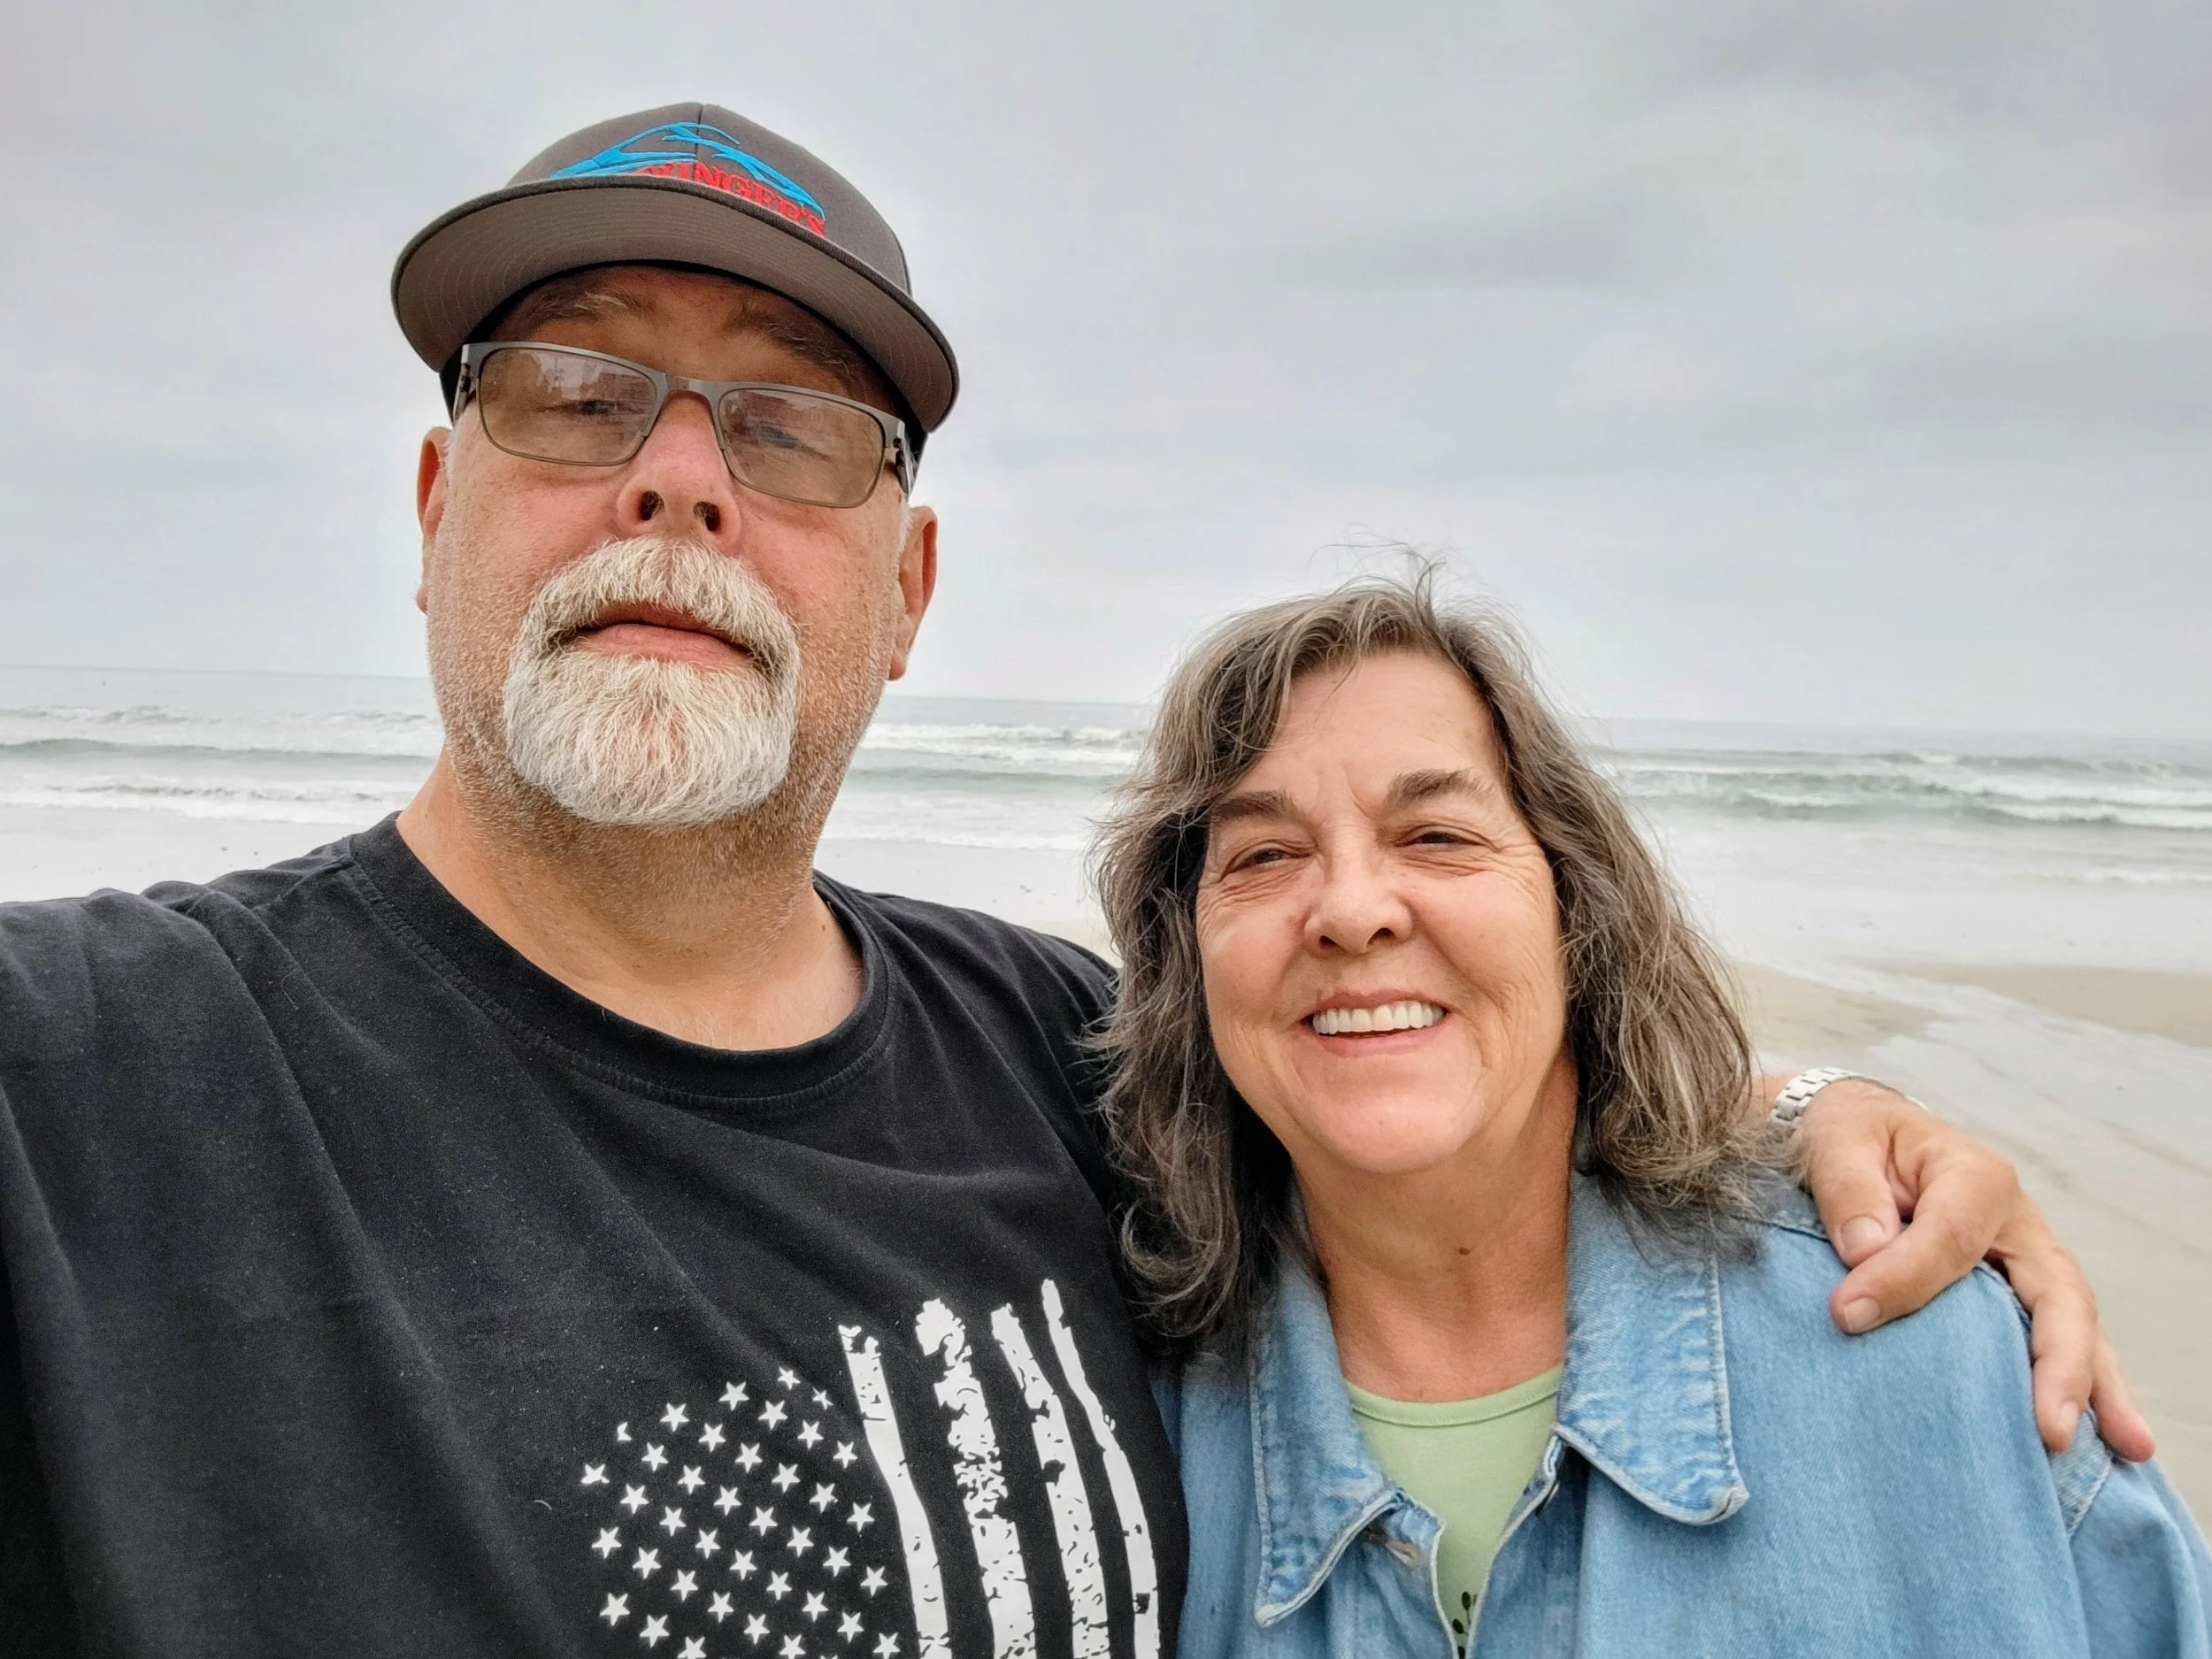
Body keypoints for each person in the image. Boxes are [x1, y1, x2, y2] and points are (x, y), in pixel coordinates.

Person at [0, 104, 2142, 1655]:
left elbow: (1429, 1122)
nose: (676, 471)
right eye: (574, 393)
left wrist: (1810, 1140)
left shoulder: (1062, 1063)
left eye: (793, 426)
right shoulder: (93, 1081)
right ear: (433, 498)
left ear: (908, 586)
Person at [1097, 574, 2210, 1657]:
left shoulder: (1939, 1356)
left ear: (1577, 910)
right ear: (1185, 961)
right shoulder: (1111, 1435)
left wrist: (1821, 1101)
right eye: (1264, 856)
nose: (1347, 910)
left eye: (1436, 834)